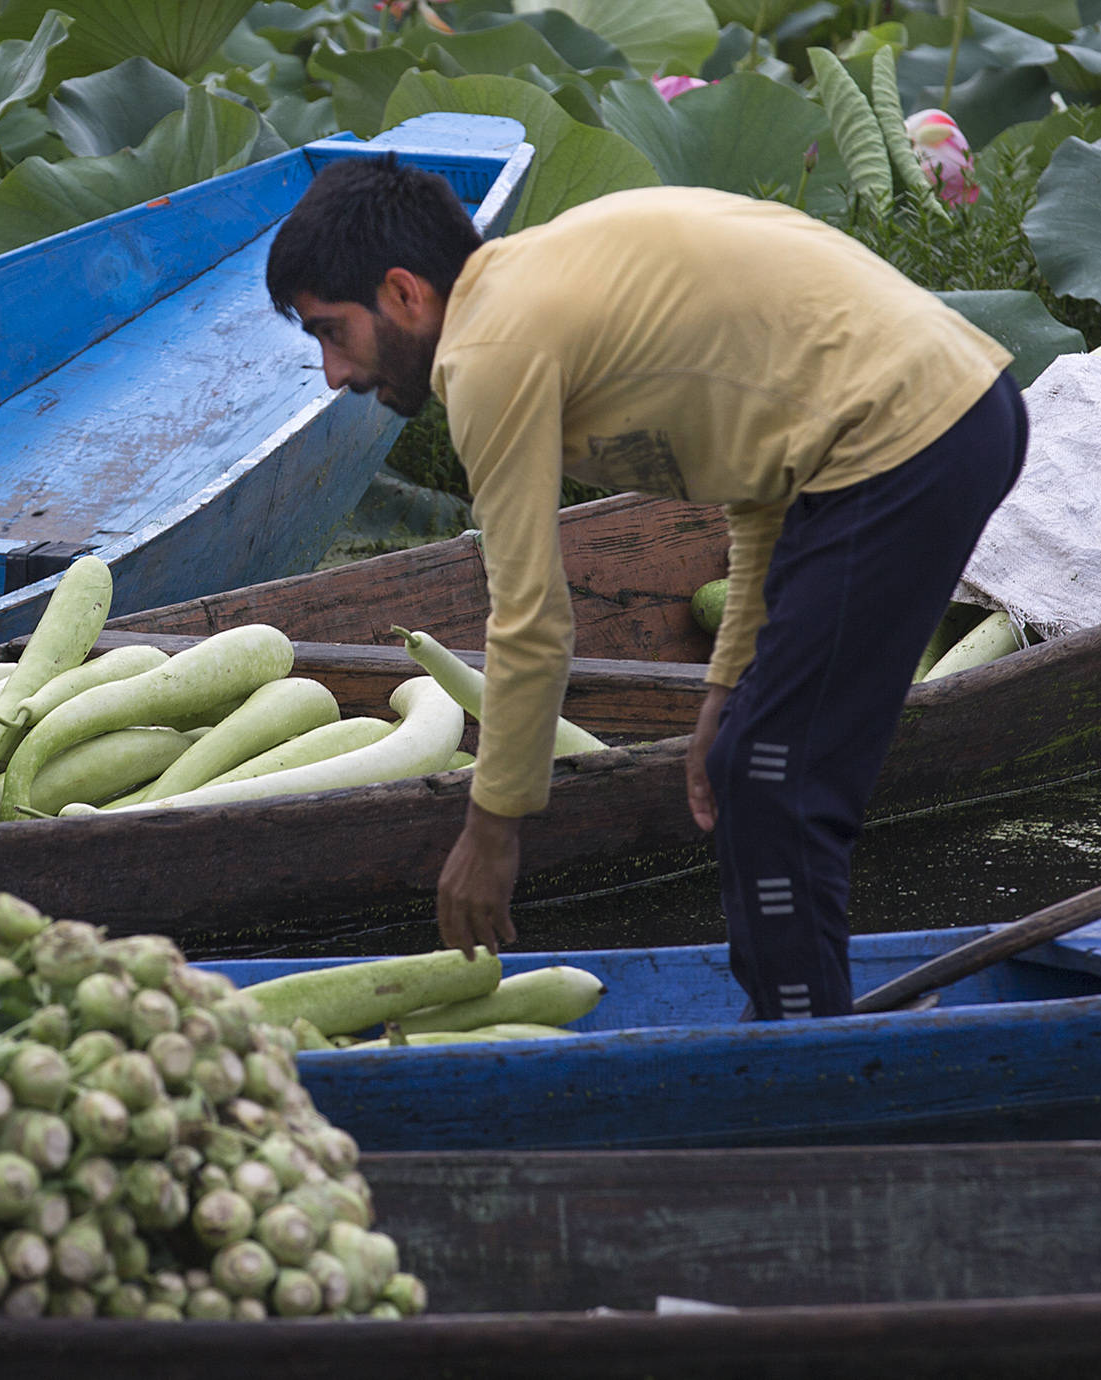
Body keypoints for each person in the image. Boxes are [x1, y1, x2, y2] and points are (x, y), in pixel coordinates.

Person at [266, 159, 1028, 1021]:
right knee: (761, 759)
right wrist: (725, 683)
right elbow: (757, 472)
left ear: (403, 294)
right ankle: (795, 1022)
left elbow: (530, 620)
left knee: (773, 777)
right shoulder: (532, 294)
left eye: (333, 333)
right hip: (943, 419)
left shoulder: (492, 348)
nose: (333, 373)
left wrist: (492, 828)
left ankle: (807, 1053)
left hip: (909, 439)